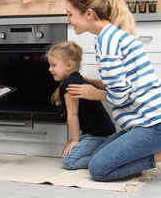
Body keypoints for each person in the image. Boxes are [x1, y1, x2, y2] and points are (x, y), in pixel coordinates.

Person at [63, 0, 161, 183]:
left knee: (99, 169)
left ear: (88, 14)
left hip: (159, 124)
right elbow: (129, 83)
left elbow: (120, 96)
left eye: (70, 14)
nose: (68, 20)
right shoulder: (113, 34)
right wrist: (94, 82)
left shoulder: (107, 43)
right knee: (100, 158)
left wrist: (94, 93)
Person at [47, 41, 116, 170]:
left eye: (53, 65)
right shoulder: (75, 79)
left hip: (98, 134)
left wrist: (75, 140)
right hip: (96, 132)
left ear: (69, 65)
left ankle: (108, 156)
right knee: (68, 155)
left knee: (69, 161)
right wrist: (75, 139)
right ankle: (104, 150)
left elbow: (73, 115)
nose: (50, 69)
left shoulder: (70, 84)